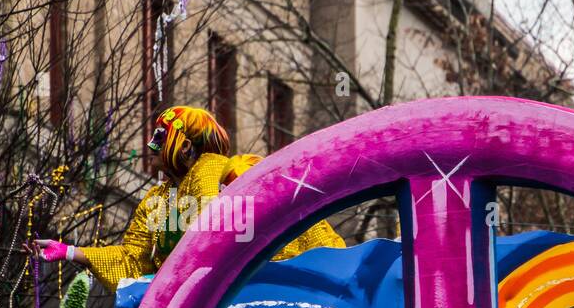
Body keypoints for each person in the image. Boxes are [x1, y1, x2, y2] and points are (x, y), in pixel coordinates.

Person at [34, 106, 345, 291]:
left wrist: (207, 165)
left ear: (184, 147)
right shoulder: (158, 200)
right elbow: (133, 261)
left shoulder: (236, 173)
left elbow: (212, 228)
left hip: (275, 296)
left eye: (159, 137)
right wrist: (70, 252)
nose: (150, 146)